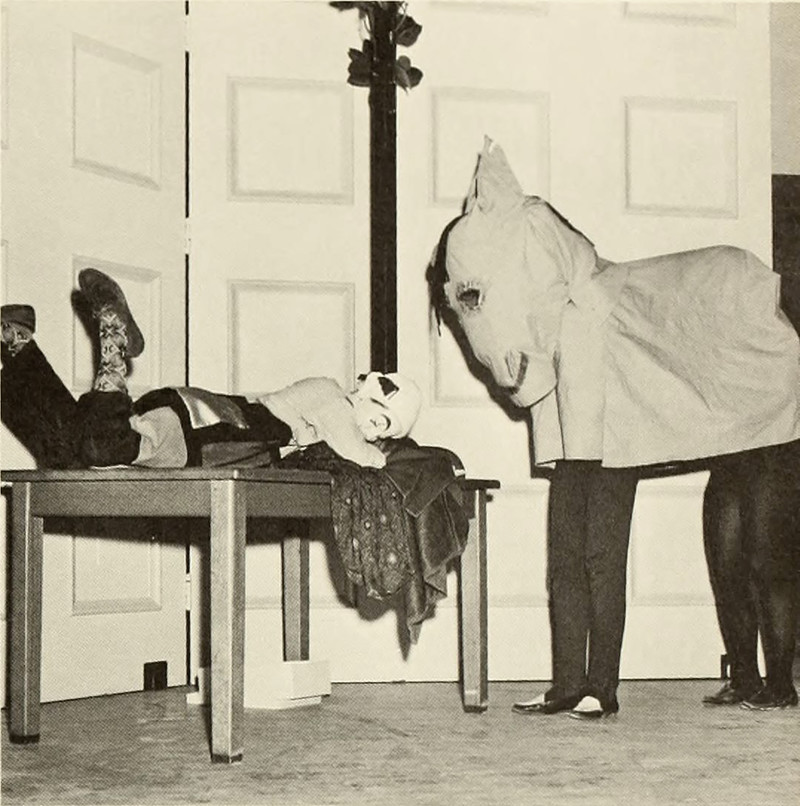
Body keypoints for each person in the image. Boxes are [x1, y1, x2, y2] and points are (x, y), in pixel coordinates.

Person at [427, 137, 800, 718]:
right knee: (699, 548)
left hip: (736, 416)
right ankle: (720, 679)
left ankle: (772, 683)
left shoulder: (564, 258)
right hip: (611, 430)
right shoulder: (560, 300)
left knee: (761, 550)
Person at [1, 268, 422, 472]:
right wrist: (390, 458)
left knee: (66, 451)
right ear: (374, 397)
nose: (376, 434)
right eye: (383, 423)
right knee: (100, 444)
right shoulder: (332, 397)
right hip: (203, 427)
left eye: (386, 434)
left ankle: (18, 341)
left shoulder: (329, 413)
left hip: (199, 431)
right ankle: (113, 332)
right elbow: (356, 451)